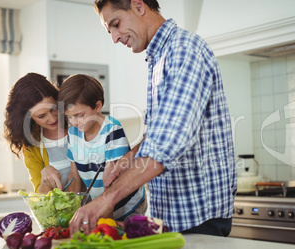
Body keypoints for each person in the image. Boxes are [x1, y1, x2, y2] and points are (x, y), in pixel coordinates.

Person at [69, 0, 237, 236]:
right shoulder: (159, 58)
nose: (114, 38)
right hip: (173, 218)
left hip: (198, 218)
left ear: (138, 6)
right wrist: (126, 159)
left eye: (116, 25)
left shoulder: (184, 50)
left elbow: (166, 144)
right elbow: (157, 134)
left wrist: (107, 199)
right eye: (110, 31)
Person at [58, 74, 146, 221]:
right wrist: (73, 210)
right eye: (69, 117)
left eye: (80, 115)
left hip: (127, 206)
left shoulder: (112, 130)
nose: (74, 122)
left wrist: (107, 220)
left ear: (97, 106)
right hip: (101, 206)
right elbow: (74, 175)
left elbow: (114, 180)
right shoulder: (73, 134)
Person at [4, 73, 71, 194]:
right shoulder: (32, 147)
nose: (52, 119)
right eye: (41, 116)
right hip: (67, 212)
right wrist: (45, 179)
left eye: (53, 108)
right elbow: (41, 197)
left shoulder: (78, 124)